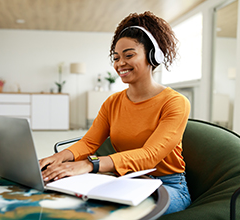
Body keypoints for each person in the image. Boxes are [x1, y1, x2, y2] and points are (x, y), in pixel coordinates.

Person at [40, 11, 191, 215]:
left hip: (167, 186)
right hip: (127, 180)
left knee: (110, 212)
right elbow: (89, 142)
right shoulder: (113, 102)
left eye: (129, 55)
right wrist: (58, 158)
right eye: (116, 57)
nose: (120, 63)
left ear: (153, 56)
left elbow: (150, 156)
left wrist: (90, 164)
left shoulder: (175, 102)